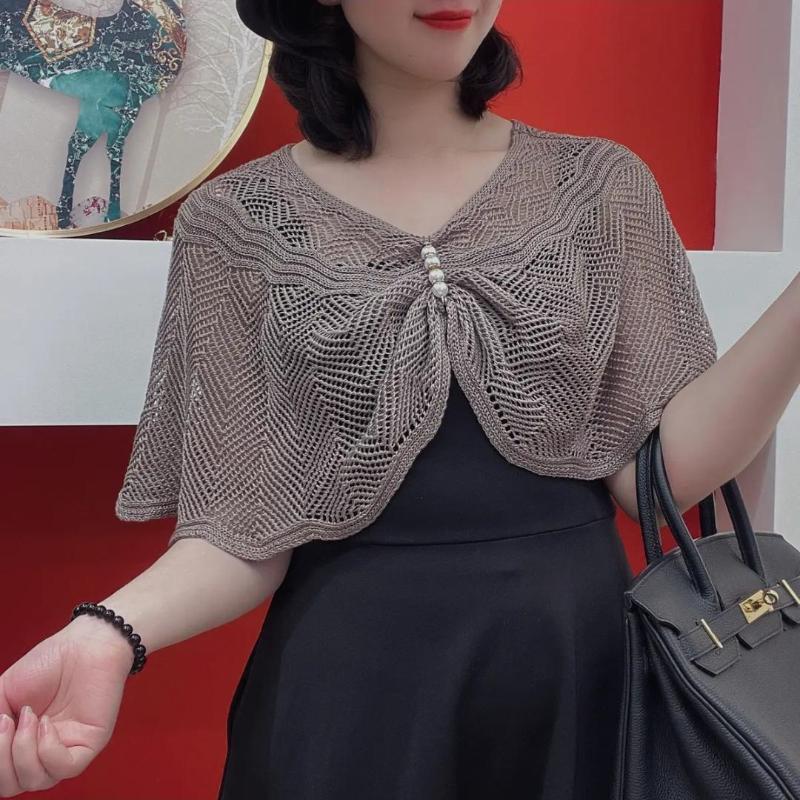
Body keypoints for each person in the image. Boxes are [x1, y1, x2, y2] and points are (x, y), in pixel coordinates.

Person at [0, 1, 725, 797]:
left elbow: (659, 480)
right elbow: (240, 530)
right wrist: (105, 635)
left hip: (578, 680)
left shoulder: (598, 186)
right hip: (347, 699)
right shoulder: (237, 223)